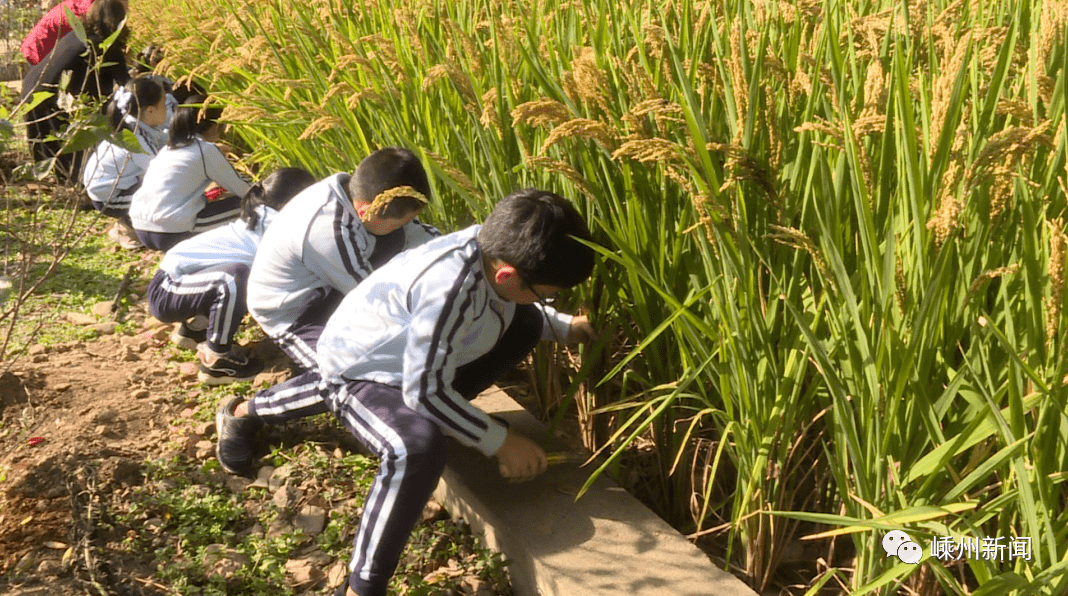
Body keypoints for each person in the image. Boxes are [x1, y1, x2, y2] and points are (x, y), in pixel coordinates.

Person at [216, 188, 598, 596]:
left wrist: (561, 325)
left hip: (414, 363)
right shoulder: (448, 290)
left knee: (525, 323)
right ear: (508, 274)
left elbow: (511, 309)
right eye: (549, 293)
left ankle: (451, 423)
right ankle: (362, 587)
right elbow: (424, 392)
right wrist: (498, 440)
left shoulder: (491, 249)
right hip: (360, 369)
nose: (549, 300)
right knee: (414, 447)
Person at [246, 147, 439, 375]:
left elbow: (422, 238)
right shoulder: (328, 232)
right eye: (399, 223)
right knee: (346, 375)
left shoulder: (358, 192)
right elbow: (376, 301)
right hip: (294, 311)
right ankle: (248, 409)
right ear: (368, 210)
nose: (404, 227)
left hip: (331, 282)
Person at [146, 168, 316, 385]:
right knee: (234, 278)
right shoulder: (277, 225)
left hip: (179, 283)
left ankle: (194, 329)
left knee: (244, 277)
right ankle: (217, 360)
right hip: (168, 289)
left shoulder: (262, 214)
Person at [21, 0, 130, 182]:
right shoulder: (104, 46)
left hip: (32, 89)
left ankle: (52, 187)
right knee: (73, 166)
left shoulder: (78, 36)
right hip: (49, 97)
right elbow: (129, 87)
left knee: (49, 155)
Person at [128, 95, 248, 252]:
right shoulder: (205, 149)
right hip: (170, 232)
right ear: (215, 127)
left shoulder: (169, 148)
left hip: (141, 227)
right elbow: (244, 190)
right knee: (254, 205)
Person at [81, 77, 169, 249]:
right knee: (166, 193)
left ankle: (129, 222)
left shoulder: (134, 124)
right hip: (110, 198)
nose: (167, 109)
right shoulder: (135, 137)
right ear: (150, 111)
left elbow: (166, 139)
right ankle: (126, 229)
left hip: (115, 187)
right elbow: (160, 171)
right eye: (164, 104)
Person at [20, 0, 95, 66]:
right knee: (44, 79)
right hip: (36, 49)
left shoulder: (80, 4)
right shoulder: (84, 8)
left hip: (39, 46)